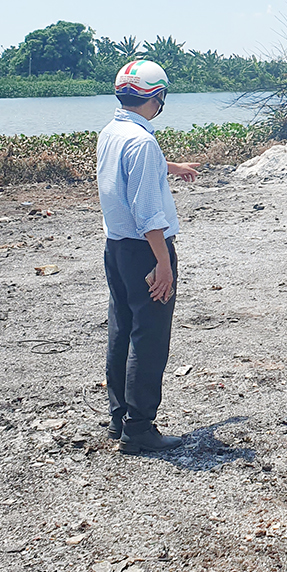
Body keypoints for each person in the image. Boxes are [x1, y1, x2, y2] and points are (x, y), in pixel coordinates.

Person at [96, 60, 200, 454]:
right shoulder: (142, 142)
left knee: (122, 329)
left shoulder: (113, 132)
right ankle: (139, 428)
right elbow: (148, 214)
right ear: (156, 98)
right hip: (145, 249)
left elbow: (126, 172)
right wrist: (164, 263)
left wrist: (172, 167)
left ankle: (119, 417)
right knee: (149, 336)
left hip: (117, 249)